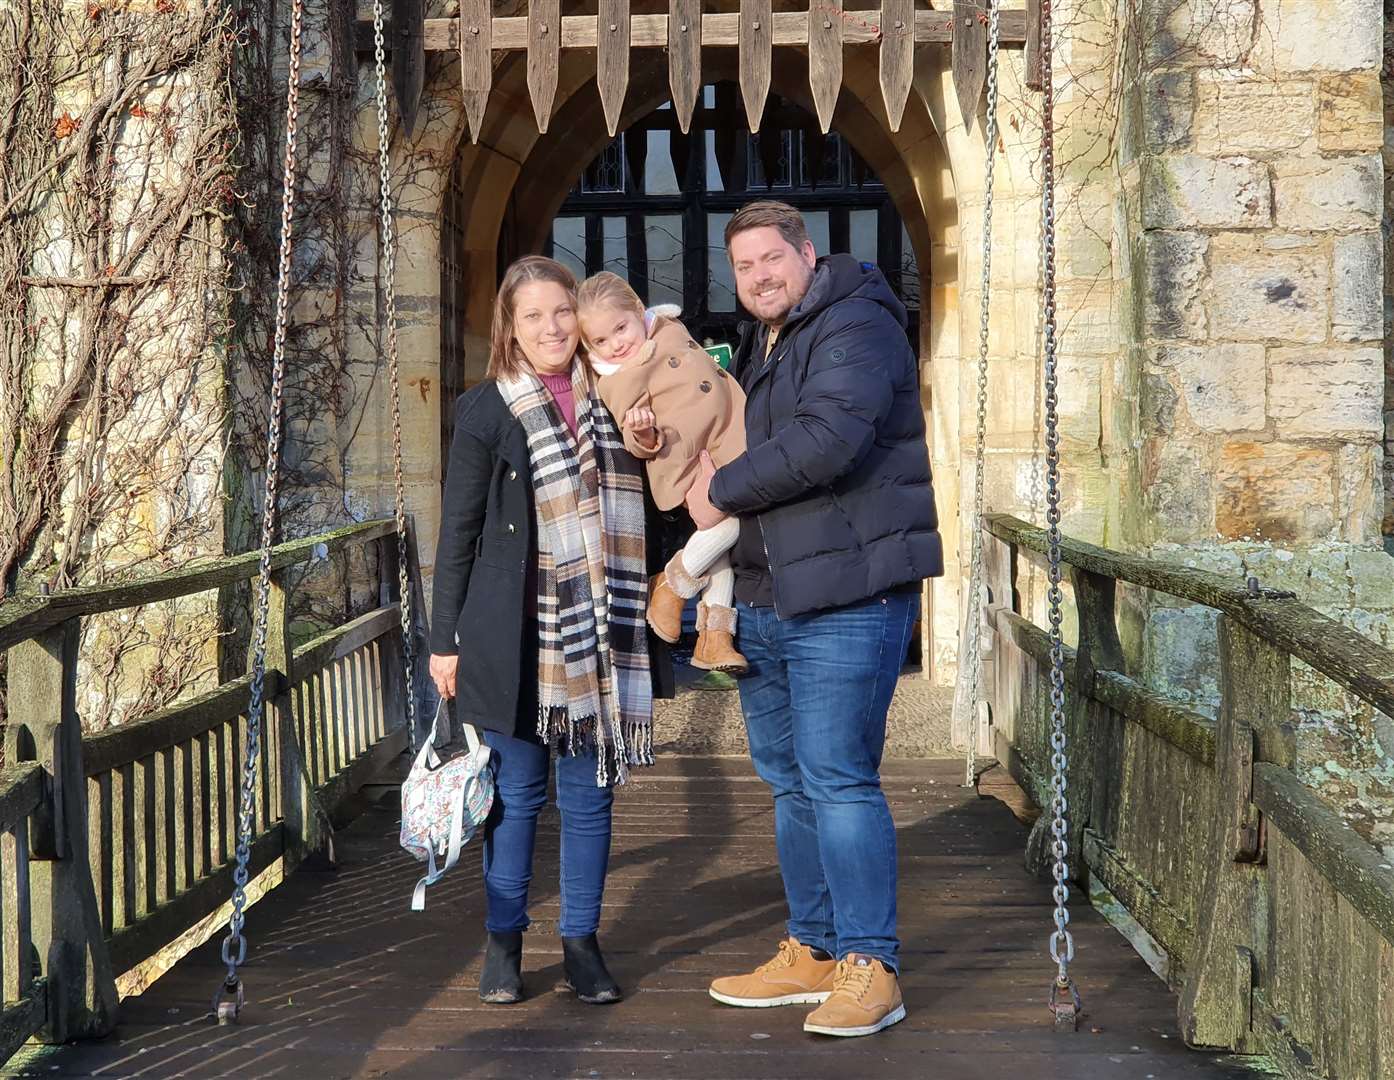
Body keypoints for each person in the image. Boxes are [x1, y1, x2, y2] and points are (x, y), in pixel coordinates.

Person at [685, 201, 943, 1037]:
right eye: (745, 267)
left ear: (806, 253)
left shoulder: (856, 323)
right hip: (769, 593)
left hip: (847, 597)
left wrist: (720, 490)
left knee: (837, 778)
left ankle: (872, 964)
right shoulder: (773, 339)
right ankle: (815, 948)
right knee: (790, 781)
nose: (759, 277)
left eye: (771, 259)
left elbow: (831, 439)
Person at [428, 255, 655, 1007]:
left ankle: (582, 943)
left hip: (597, 639)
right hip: (514, 640)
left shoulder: (621, 396)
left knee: (590, 797)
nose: (552, 328)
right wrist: (442, 641)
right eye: (534, 317)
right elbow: (457, 532)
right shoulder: (486, 410)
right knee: (518, 795)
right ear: (511, 328)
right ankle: (504, 942)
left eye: (562, 312)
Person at [576, 271, 748, 675]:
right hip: (689, 461)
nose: (617, 344)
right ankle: (672, 585)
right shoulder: (617, 382)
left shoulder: (671, 329)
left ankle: (714, 638)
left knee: (721, 551)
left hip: (726, 438)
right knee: (733, 523)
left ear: (639, 311)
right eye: (601, 341)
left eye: (621, 328)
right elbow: (638, 442)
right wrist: (642, 430)